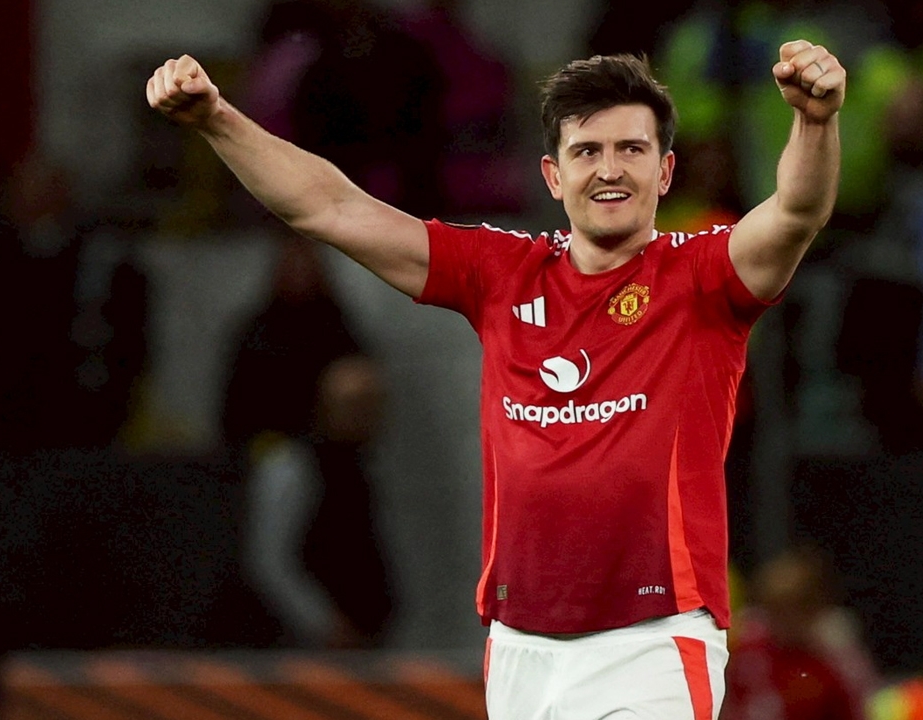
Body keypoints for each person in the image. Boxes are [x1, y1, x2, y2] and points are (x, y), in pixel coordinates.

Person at [147, 36, 844, 717]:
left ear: (664, 172)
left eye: (632, 149)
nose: (610, 169)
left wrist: (814, 122)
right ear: (553, 175)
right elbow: (330, 208)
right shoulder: (503, 272)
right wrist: (217, 119)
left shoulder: (702, 278)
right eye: (587, 151)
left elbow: (796, 212)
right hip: (519, 649)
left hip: (652, 642)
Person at [222, 235, 394, 649]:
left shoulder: (339, 326)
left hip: (333, 469)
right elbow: (270, 565)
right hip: (280, 459)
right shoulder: (259, 331)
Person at [723, 546, 878, 720]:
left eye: (793, 608)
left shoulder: (837, 659)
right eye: (775, 609)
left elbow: (859, 710)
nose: (784, 619)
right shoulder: (745, 647)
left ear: (815, 607)